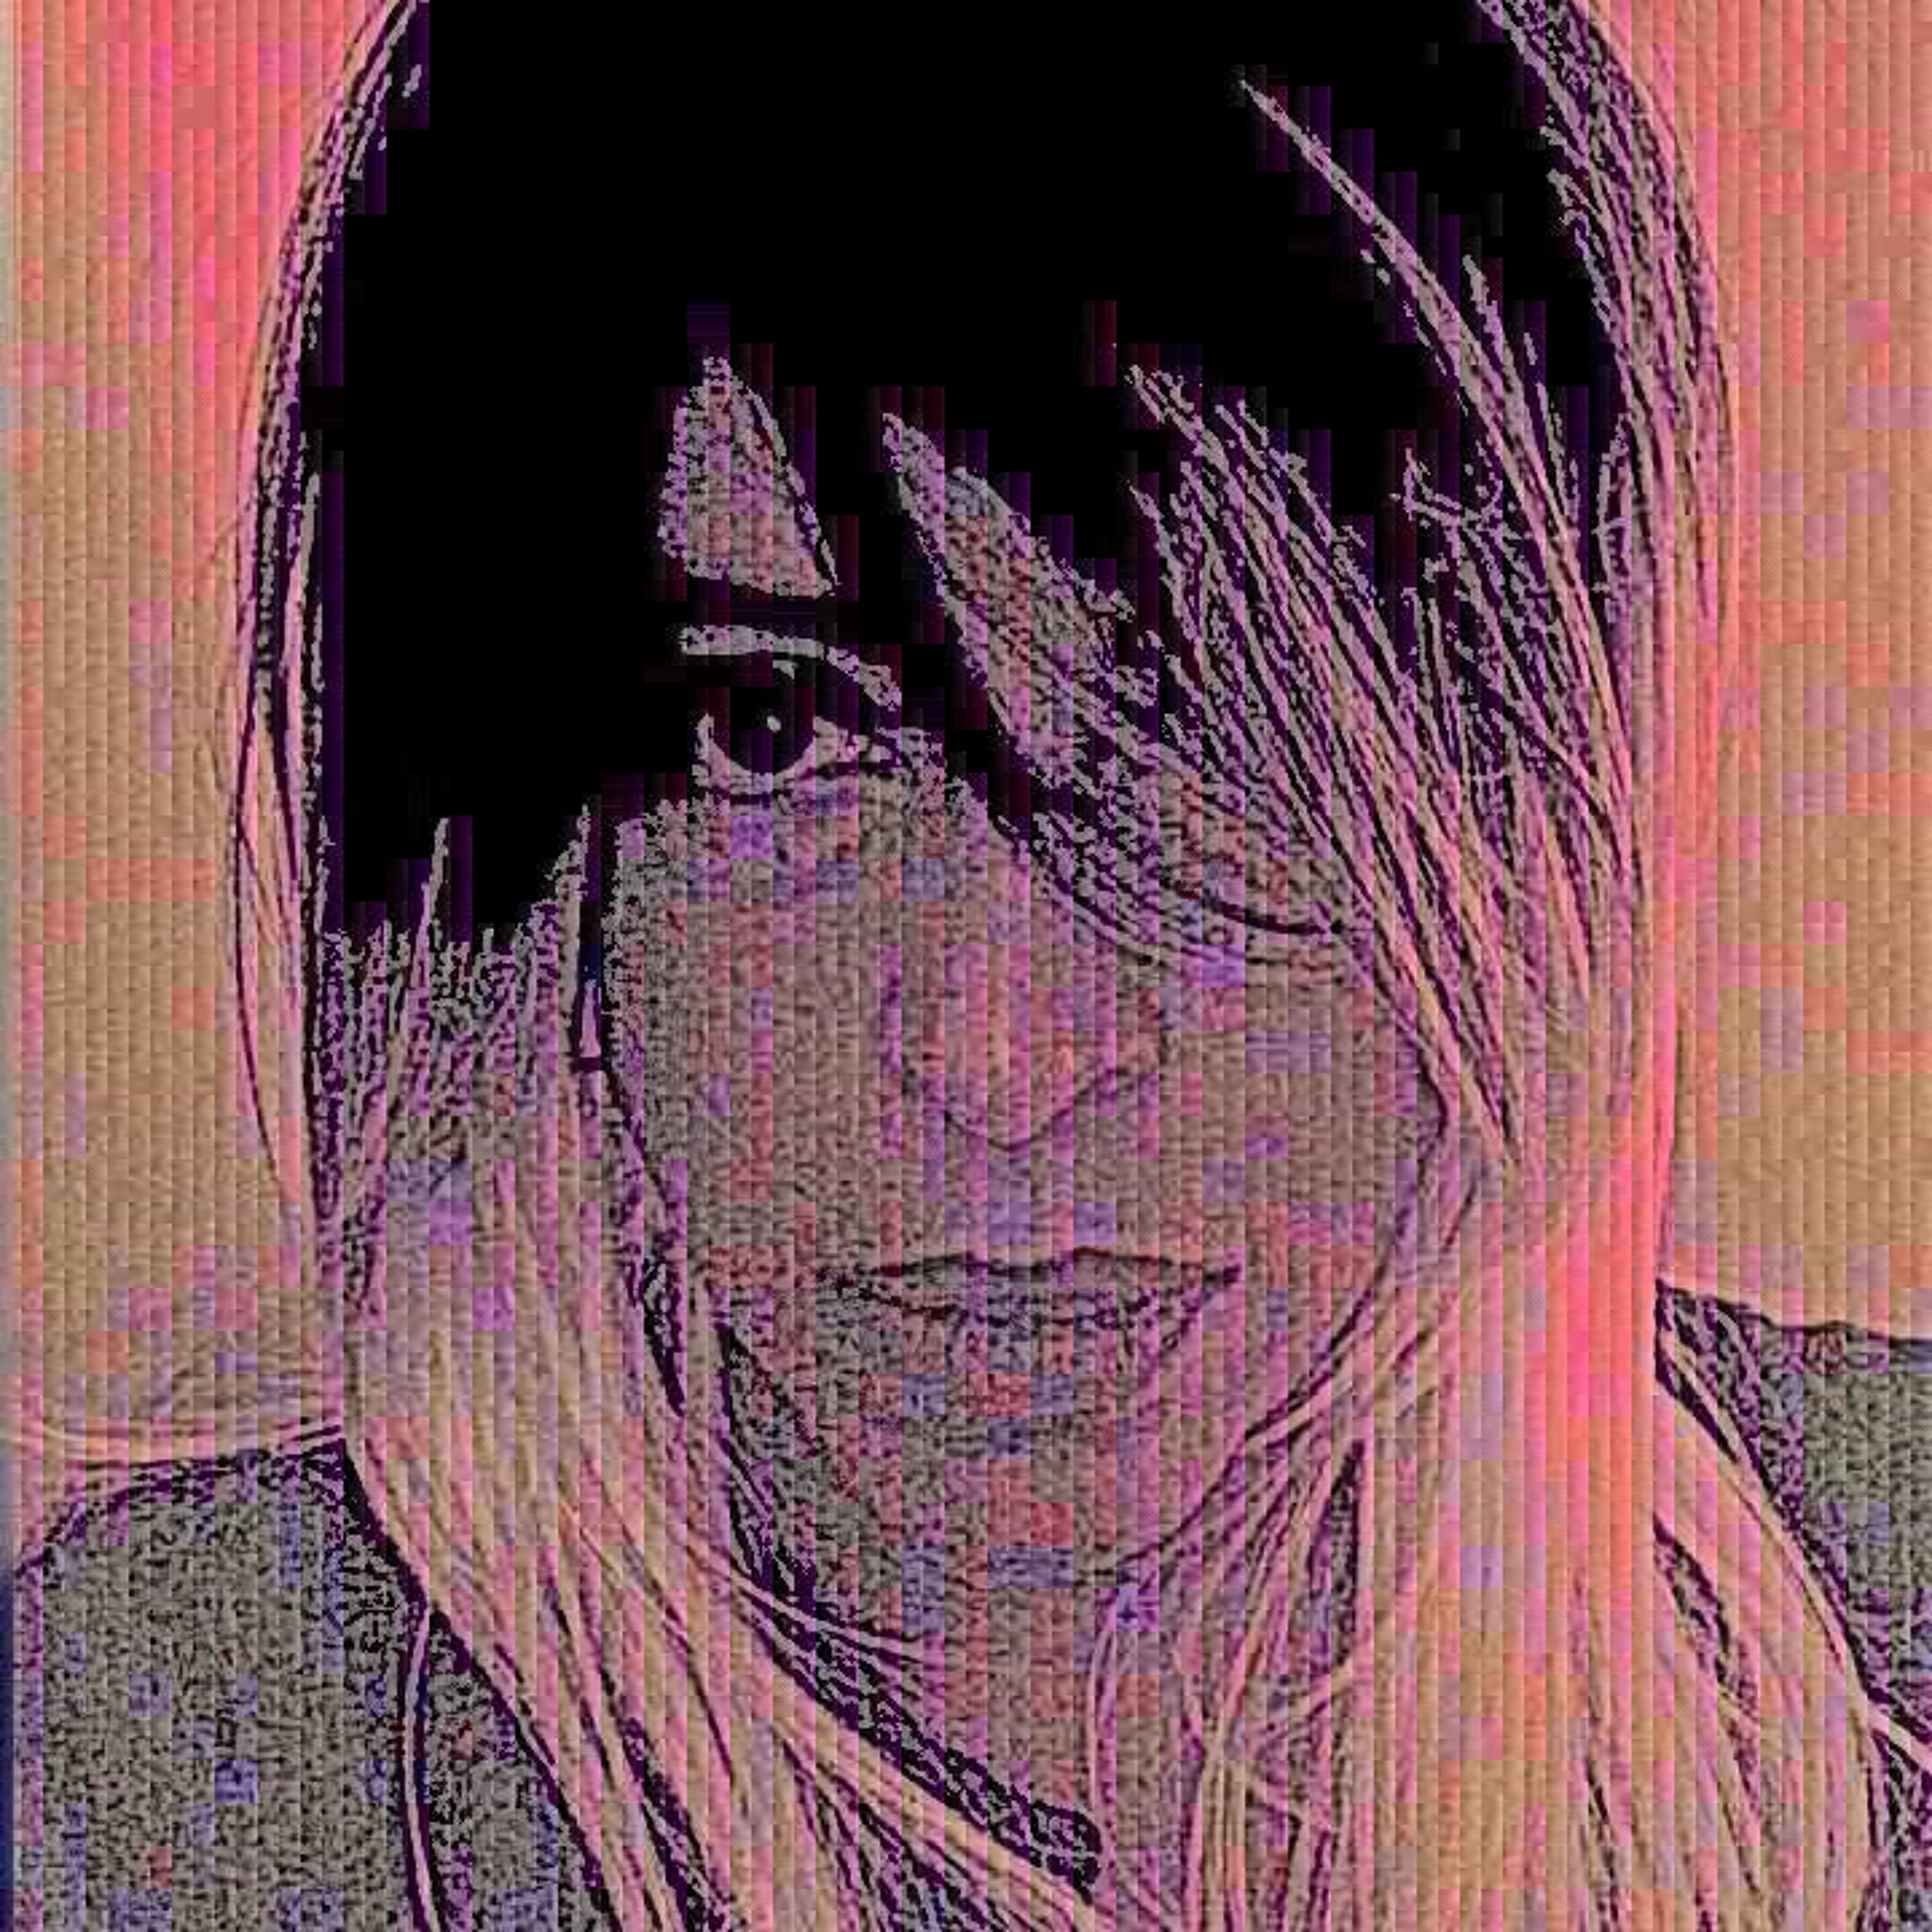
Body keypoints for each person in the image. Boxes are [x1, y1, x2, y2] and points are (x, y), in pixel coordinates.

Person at [207, 3, 1932, 1929]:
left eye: (1225, 735)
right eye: (772, 729)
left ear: (1534, 814)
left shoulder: (1902, 1614)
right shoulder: (169, 1781)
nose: (1003, 1050)